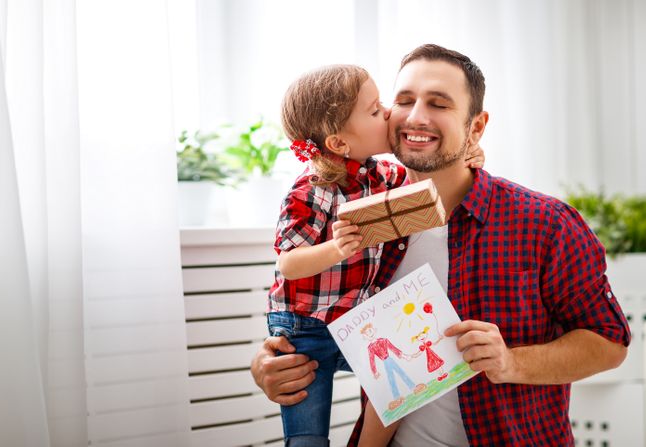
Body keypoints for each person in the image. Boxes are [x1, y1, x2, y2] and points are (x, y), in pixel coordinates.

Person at [252, 44, 631, 447]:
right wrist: (275, 362)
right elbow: (314, 308)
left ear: (476, 127)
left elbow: (608, 342)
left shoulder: (545, 223)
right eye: (403, 101)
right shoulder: (362, 219)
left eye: (439, 104)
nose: (416, 117)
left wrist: (511, 362)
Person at [266, 64, 485, 446]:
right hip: (306, 328)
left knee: (400, 382)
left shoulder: (380, 175)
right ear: (338, 143)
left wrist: (470, 152)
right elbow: (288, 262)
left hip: (353, 322)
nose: (386, 113)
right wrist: (336, 248)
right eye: (374, 110)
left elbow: (429, 179)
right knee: (305, 436)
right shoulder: (310, 190)